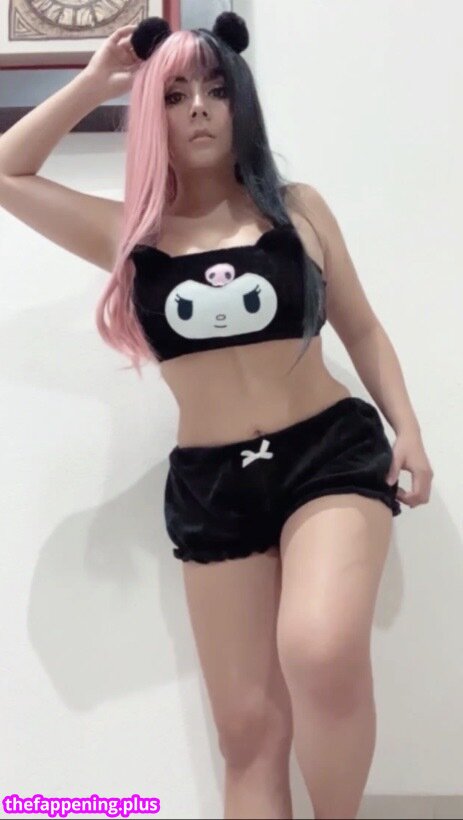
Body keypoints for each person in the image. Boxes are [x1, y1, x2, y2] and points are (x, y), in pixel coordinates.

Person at [0, 12, 433, 820]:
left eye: (215, 88)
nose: (198, 106)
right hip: (212, 484)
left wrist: (406, 426)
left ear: (241, 103)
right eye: (173, 95)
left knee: (318, 647)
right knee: (245, 729)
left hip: (326, 454)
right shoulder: (131, 235)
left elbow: (361, 328)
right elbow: (6, 171)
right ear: (150, 116)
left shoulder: (297, 210)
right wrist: (94, 84)